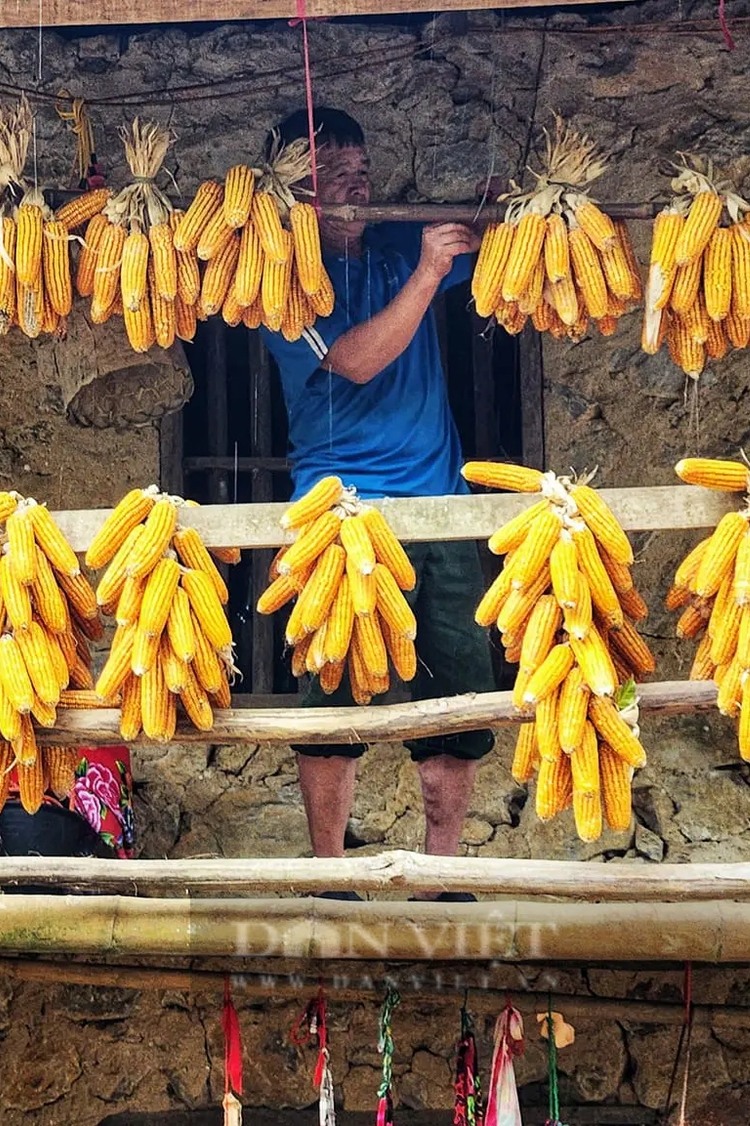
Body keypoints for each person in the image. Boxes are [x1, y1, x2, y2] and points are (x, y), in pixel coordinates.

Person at [260, 107, 496, 894]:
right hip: (342, 515)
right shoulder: (285, 287)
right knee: (333, 697)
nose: (356, 181)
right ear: (294, 187)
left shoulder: (400, 246)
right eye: (334, 173)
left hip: (442, 506)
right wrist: (430, 275)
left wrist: (509, 213)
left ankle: (441, 871)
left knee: (455, 700)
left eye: (361, 167)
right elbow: (356, 361)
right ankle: (329, 874)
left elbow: (494, 256)